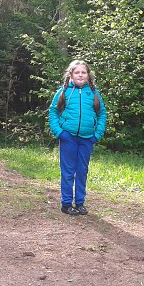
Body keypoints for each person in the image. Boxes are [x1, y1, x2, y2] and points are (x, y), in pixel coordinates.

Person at [48, 60, 107, 216]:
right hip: (68, 137)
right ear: (71, 75)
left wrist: (97, 135)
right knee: (68, 172)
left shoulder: (94, 93)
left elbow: (102, 114)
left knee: (82, 171)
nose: (80, 75)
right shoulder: (63, 92)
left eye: (83, 72)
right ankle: (66, 204)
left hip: (87, 139)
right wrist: (59, 132)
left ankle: (80, 203)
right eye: (77, 72)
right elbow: (53, 112)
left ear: (88, 75)